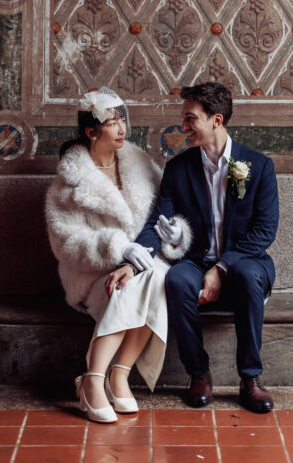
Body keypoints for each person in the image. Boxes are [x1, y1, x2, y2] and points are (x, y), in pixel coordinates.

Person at [45, 87, 192, 423]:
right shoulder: (68, 184)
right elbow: (65, 243)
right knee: (140, 282)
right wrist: (119, 249)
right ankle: (96, 379)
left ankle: (115, 375)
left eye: (123, 119)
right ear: (91, 131)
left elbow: (164, 215)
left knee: (155, 277)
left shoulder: (142, 166)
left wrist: (175, 235)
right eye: (112, 122)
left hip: (141, 268)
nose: (122, 128)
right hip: (92, 279)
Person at [134, 81, 279, 413]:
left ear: (216, 120)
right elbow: (158, 222)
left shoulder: (259, 166)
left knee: (247, 275)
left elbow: (264, 232)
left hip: (244, 260)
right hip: (195, 260)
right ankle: (198, 373)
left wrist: (220, 268)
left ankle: (251, 378)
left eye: (190, 119)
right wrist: (133, 259)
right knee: (176, 279)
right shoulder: (178, 168)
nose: (183, 127)